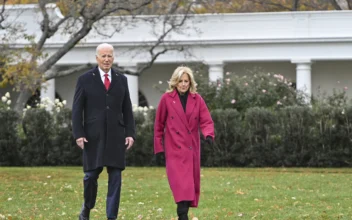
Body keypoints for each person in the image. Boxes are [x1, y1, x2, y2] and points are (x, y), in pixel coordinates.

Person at [72, 43, 135, 220]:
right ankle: (87, 207)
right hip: (93, 137)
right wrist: (79, 133)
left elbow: (127, 109)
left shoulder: (121, 79)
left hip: (117, 136)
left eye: (109, 56)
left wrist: (130, 133)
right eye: (103, 56)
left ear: (113, 58)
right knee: (90, 176)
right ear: (97, 58)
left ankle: (111, 217)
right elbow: (77, 110)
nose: (106, 59)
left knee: (115, 178)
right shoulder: (85, 79)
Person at [154, 66, 215, 220]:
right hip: (173, 149)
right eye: (180, 81)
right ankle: (183, 215)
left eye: (186, 81)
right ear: (175, 82)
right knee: (180, 185)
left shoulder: (197, 99)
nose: (183, 84)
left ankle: (183, 214)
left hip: (191, 149)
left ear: (190, 82)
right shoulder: (166, 99)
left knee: (189, 186)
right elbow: (159, 125)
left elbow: (206, 120)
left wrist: (208, 135)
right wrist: (159, 148)